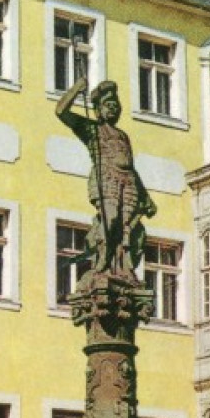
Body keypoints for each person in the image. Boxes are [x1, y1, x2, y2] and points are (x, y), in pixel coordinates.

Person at [55, 75, 156, 276]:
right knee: (110, 222)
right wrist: (77, 88)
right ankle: (102, 261)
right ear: (98, 109)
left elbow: (131, 167)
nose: (113, 108)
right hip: (106, 179)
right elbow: (60, 111)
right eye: (107, 104)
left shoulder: (122, 136)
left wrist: (146, 196)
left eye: (115, 104)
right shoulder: (91, 129)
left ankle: (122, 268)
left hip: (128, 184)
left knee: (126, 228)